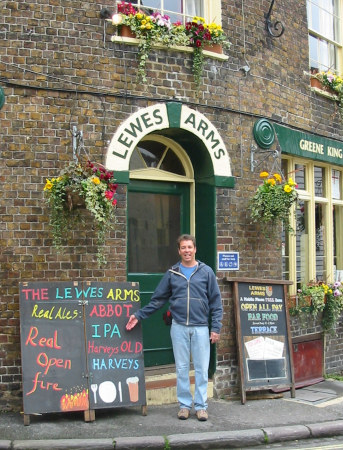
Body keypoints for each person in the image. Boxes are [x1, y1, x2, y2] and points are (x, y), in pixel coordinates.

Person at [126, 234, 223, 421]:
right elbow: (158, 300)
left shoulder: (206, 272)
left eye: (190, 247)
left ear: (195, 249)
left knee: (202, 369)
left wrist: (215, 328)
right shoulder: (172, 273)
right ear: (179, 251)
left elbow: (216, 302)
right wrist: (139, 315)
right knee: (182, 368)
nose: (187, 251)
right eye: (183, 248)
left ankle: (201, 406)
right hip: (178, 327)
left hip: (201, 327)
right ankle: (185, 406)